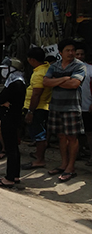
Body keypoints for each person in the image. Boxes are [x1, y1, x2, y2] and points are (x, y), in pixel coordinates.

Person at [43, 39, 87, 182]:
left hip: (72, 107)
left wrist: (57, 80)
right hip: (56, 106)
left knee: (72, 137)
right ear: (60, 53)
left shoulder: (79, 66)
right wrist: (64, 79)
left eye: (72, 50)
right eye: (67, 50)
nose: (71, 53)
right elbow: (45, 82)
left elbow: (74, 84)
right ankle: (63, 164)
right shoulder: (54, 65)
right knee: (61, 136)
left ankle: (71, 167)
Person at [0, 57, 26, 188]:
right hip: (12, 117)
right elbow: (0, 99)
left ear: (12, 69)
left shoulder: (16, 84)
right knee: (13, 148)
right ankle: (15, 175)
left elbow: (0, 98)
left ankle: (10, 178)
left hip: (10, 118)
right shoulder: (16, 82)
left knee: (11, 148)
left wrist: (3, 102)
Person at [21, 47, 52, 170]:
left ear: (31, 59)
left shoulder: (39, 73)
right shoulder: (46, 68)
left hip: (38, 108)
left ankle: (40, 160)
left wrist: (30, 112)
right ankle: (38, 155)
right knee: (40, 134)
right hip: (43, 106)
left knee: (39, 135)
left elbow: (36, 94)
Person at [75, 43, 92, 166]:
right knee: (76, 133)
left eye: (82, 54)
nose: (80, 56)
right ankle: (77, 153)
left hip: (87, 106)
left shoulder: (90, 69)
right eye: (77, 54)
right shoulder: (68, 68)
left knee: (89, 133)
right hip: (74, 106)